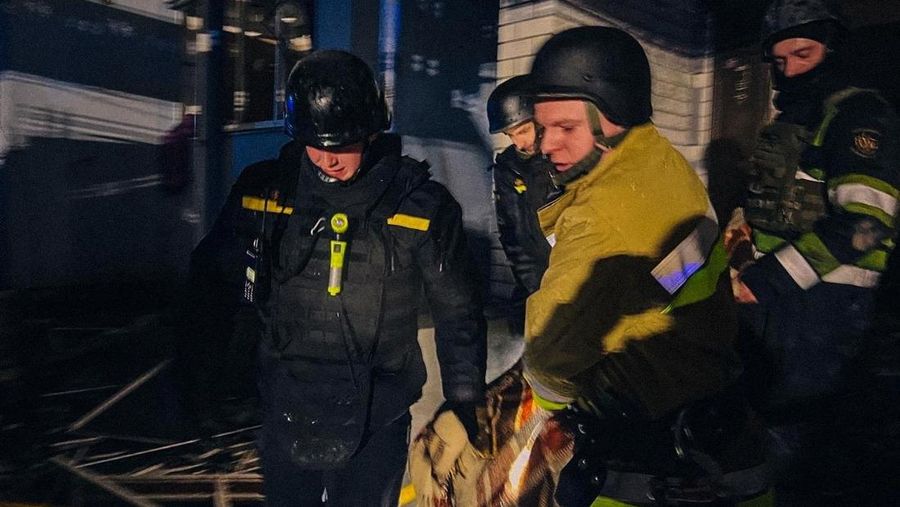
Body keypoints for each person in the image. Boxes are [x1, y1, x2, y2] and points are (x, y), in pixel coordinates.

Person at [196, 50, 487, 506]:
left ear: (372, 132)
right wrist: (199, 382)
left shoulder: (421, 207)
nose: (329, 159)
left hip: (379, 415)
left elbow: (458, 310)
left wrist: (463, 401)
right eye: (317, 143)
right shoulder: (263, 193)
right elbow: (209, 285)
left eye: (343, 144)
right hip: (286, 403)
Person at [520, 26, 770, 506]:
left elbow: (551, 353)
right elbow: (664, 282)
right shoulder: (663, 168)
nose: (546, 145)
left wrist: (542, 420)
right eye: (542, 126)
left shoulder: (605, 214)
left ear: (613, 116)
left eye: (565, 128)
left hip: (641, 450)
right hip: (711, 416)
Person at [732, 0, 900, 503]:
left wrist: (762, 282)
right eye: (780, 62)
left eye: (803, 54)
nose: (791, 71)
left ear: (833, 48)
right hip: (780, 309)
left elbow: (865, 226)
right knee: (771, 434)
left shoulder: (858, 116)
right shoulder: (804, 120)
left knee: (803, 450)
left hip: (825, 315)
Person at [487, 75, 559, 300]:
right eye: (510, 135)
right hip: (538, 286)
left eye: (523, 131)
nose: (518, 143)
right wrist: (532, 288)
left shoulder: (566, 159)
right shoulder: (509, 167)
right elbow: (511, 234)